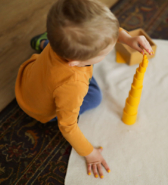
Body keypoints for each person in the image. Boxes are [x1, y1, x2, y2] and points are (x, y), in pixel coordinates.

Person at [15, 0, 153, 179]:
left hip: (29, 76)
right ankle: (44, 44)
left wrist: (126, 38)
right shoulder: (74, 84)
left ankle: (44, 43)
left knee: (62, 50)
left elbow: (103, 33)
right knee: (95, 97)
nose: (110, 50)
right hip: (39, 108)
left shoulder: (61, 43)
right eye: (105, 52)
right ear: (75, 63)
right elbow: (67, 126)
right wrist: (90, 153)